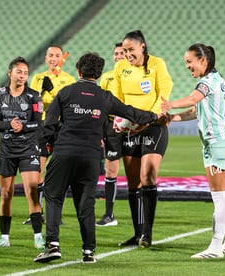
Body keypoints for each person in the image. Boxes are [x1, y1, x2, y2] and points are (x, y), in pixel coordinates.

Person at [33, 52, 161, 263]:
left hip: (64, 152)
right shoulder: (104, 96)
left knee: (54, 197)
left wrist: (54, 142)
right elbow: (132, 113)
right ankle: (88, 251)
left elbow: (48, 124)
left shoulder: (65, 92)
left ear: (79, 71)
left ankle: (52, 245)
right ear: (100, 74)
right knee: (86, 204)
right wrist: (155, 116)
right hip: (91, 157)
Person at [161, 43, 225, 259]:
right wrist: (173, 117)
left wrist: (169, 105)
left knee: (219, 195)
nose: (187, 66)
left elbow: (194, 99)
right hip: (222, 141)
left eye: (189, 62)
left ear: (203, 60)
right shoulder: (218, 80)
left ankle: (215, 247)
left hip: (217, 143)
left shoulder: (206, 82)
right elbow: (196, 109)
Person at [110, 30, 173, 248]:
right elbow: (117, 98)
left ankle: (147, 233)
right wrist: (121, 120)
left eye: (131, 50)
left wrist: (149, 118)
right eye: (124, 51)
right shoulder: (120, 68)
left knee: (148, 176)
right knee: (133, 183)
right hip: (130, 128)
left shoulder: (157, 64)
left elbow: (164, 94)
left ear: (142, 47)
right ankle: (137, 234)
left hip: (154, 126)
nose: (127, 54)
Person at [0, 56, 45, 250]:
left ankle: (38, 237)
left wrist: (23, 126)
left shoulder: (34, 96)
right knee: (6, 194)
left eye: (25, 73)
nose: (22, 75)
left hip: (28, 148)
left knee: (32, 191)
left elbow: (39, 123)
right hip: (5, 150)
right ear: (10, 73)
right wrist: (9, 125)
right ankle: (5, 238)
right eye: (19, 72)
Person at [22, 46, 76, 225]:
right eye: (51, 55)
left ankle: (56, 214)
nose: (54, 58)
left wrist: (53, 93)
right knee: (38, 173)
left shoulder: (69, 80)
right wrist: (42, 93)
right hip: (43, 128)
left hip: (62, 127)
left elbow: (70, 104)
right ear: (46, 58)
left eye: (57, 55)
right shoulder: (38, 78)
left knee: (59, 173)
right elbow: (32, 103)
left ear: (62, 58)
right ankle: (37, 213)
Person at [96, 42, 126, 227]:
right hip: (110, 126)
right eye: (116, 53)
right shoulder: (106, 77)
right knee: (111, 170)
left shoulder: (135, 76)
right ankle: (109, 215)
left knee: (137, 172)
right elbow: (100, 105)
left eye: (122, 53)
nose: (118, 56)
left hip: (130, 125)